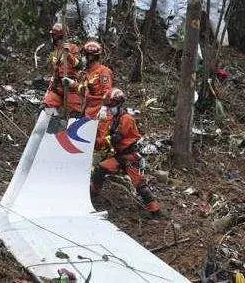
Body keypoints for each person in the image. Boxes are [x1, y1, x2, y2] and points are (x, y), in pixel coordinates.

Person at [90, 88, 162, 216]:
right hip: (119, 157)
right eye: (108, 105)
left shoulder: (126, 118)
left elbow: (117, 137)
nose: (109, 108)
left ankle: (155, 210)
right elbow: (106, 136)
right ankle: (93, 194)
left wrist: (105, 140)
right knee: (100, 169)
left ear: (118, 104)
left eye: (110, 105)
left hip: (130, 157)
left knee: (139, 185)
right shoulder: (114, 118)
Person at [43, 23, 85, 116]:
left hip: (71, 87)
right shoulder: (55, 51)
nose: (52, 37)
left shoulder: (73, 48)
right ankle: (53, 126)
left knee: (75, 112)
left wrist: (68, 54)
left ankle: (70, 127)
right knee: (48, 105)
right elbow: (54, 73)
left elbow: (79, 65)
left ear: (59, 36)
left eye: (53, 35)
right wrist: (48, 90)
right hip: (58, 87)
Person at [81, 40, 113, 119]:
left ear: (91, 57)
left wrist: (104, 107)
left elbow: (107, 90)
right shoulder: (86, 73)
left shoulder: (103, 71)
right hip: (88, 111)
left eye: (85, 55)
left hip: (100, 111)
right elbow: (84, 92)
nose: (83, 58)